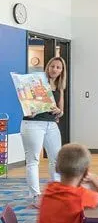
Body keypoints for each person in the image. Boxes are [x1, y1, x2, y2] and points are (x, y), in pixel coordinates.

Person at [21, 56, 67, 202]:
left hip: (51, 125)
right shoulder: (36, 83)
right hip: (33, 123)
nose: (55, 69)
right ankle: (35, 196)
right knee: (33, 160)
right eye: (52, 66)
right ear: (48, 67)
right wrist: (31, 109)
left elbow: (61, 111)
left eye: (58, 67)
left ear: (62, 71)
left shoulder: (59, 87)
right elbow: (27, 104)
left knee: (56, 159)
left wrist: (58, 111)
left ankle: (57, 191)